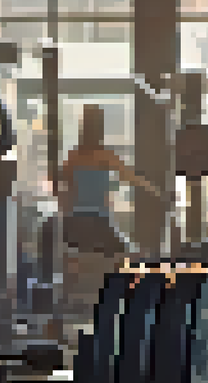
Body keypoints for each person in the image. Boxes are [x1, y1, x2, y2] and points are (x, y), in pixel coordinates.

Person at [49, 104, 161, 340]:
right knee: (129, 257)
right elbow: (131, 177)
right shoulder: (104, 155)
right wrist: (155, 191)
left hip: (76, 220)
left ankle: (62, 310)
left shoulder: (73, 156)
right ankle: (126, 305)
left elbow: (60, 186)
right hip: (97, 220)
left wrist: (64, 211)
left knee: (73, 265)